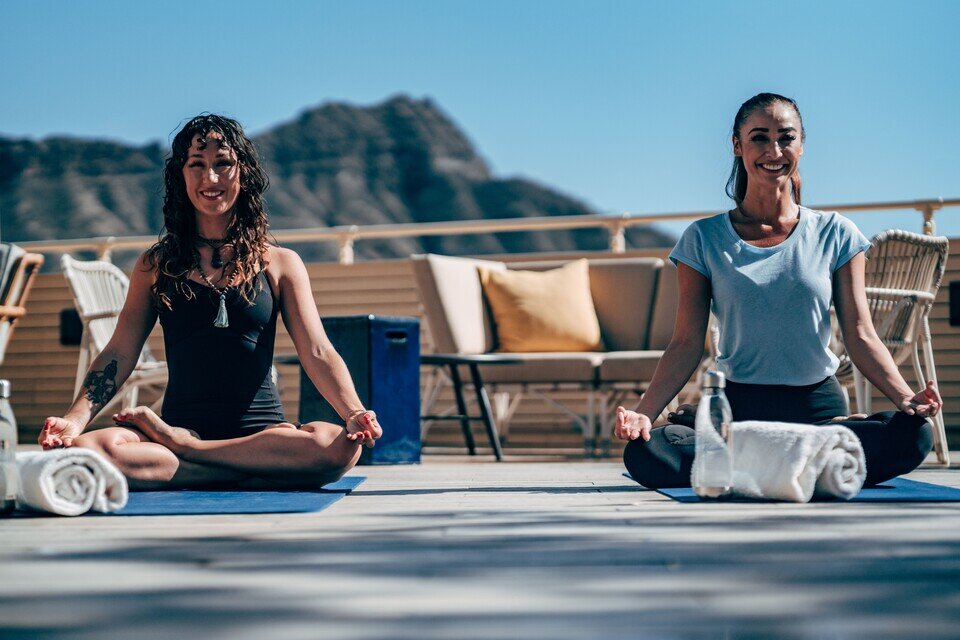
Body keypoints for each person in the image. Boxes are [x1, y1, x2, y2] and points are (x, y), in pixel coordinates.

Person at [38, 114, 382, 489]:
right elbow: (119, 352)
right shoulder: (155, 266)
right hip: (185, 429)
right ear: (180, 176)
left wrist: (354, 412)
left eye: (223, 164)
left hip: (261, 434)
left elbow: (317, 350)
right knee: (88, 449)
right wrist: (73, 420)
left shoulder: (281, 264)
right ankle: (244, 467)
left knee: (339, 447)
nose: (210, 178)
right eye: (197, 165)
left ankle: (193, 457)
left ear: (243, 173)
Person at [617, 93, 940, 488]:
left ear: (801, 144)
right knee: (648, 452)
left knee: (914, 434)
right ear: (737, 146)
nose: (774, 150)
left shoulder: (836, 233)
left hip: (818, 411)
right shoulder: (702, 239)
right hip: (738, 414)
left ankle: (763, 464)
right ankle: (802, 463)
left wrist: (906, 398)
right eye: (759, 138)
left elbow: (860, 334)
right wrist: (644, 415)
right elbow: (685, 342)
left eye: (786, 138)